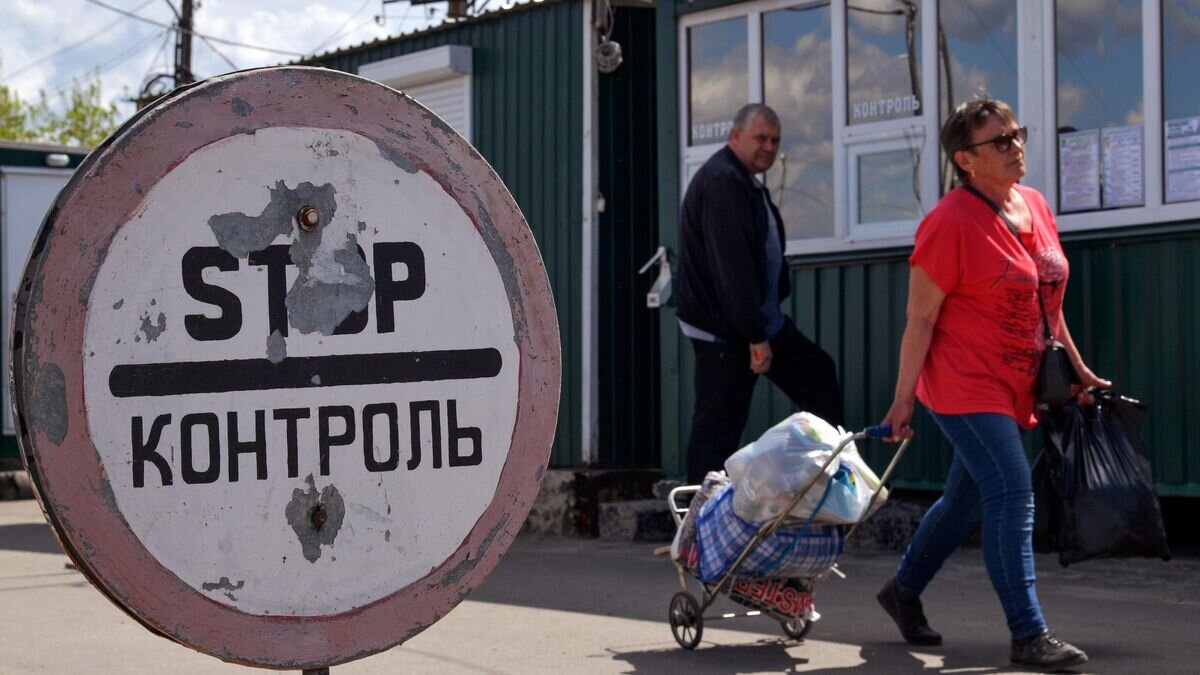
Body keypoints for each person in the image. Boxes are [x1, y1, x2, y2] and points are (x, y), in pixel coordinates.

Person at [877, 98, 1109, 671]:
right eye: (999, 141)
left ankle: (902, 590)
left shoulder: (1034, 205)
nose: (1015, 146)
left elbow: (1047, 306)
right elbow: (921, 319)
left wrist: (1075, 371)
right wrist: (903, 400)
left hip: (1017, 384)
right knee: (1010, 491)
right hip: (963, 385)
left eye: (1016, 135)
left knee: (964, 501)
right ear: (965, 160)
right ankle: (1028, 633)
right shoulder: (950, 222)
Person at [676, 103, 844, 485]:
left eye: (776, 140)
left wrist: (758, 328)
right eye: (761, 138)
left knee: (818, 375)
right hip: (728, 330)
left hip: (756, 322)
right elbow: (731, 268)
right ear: (735, 136)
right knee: (717, 428)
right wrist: (755, 336)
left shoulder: (743, 181)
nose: (769, 147)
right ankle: (695, 524)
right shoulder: (723, 182)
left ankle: (824, 482)